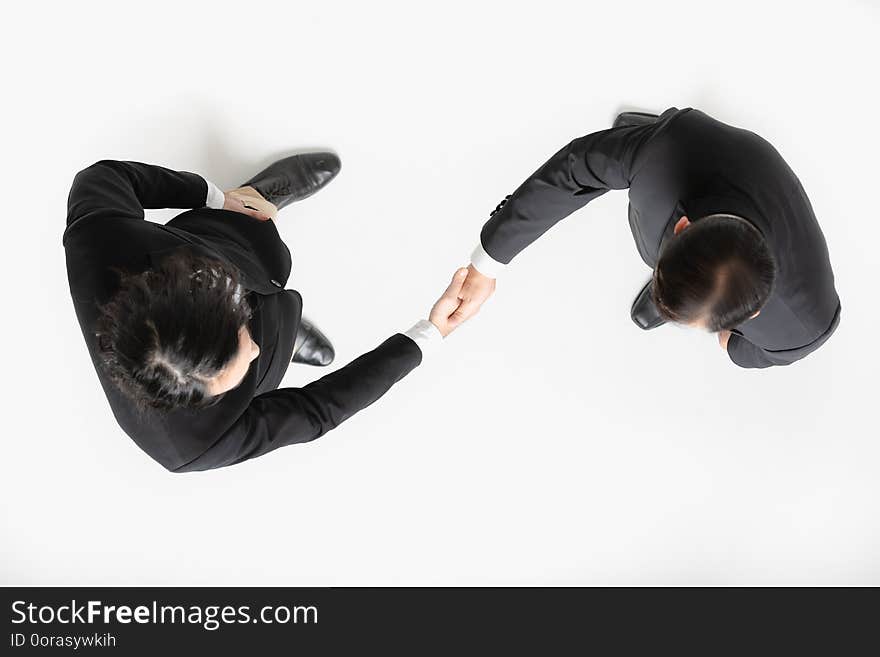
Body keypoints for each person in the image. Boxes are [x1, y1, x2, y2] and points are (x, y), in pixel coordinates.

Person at [64, 155, 470, 472]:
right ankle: (287, 337)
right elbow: (315, 412)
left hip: (220, 247)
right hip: (232, 299)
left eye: (242, 338)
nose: (254, 351)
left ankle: (257, 195)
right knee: (274, 342)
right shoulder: (193, 447)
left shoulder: (98, 237)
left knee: (257, 226)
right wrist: (429, 333)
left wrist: (216, 198)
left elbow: (105, 176)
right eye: (231, 370)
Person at [454, 108, 840, 368]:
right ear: (682, 227)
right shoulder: (667, 155)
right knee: (646, 145)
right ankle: (645, 133)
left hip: (730, 183)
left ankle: (684, 283)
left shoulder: (802, 330)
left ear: (752, 314)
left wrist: (733, 348)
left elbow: (750, 352)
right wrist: (487, 263)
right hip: (696, 147)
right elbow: (574, 170)